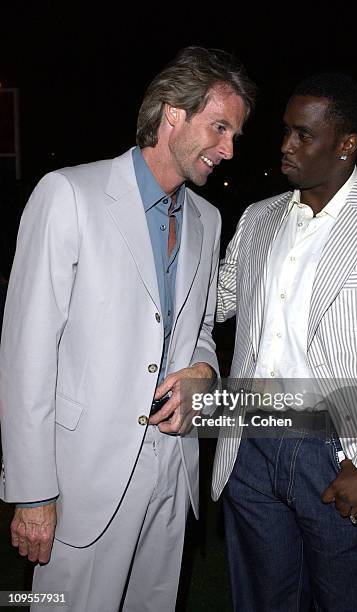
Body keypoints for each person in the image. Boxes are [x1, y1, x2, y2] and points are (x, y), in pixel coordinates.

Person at [0, 46, 256, 611]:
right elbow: (27, 353)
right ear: (172, 114)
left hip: (173, 469)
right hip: (81, 478)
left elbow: (201, 328)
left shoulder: (208, 219)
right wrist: (33, 491)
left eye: (234, 134)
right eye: (219, 127)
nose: (229, 149)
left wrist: (204, 373)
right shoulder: (68, 194)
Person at [212, 73, 357, 611]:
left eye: (302, 135)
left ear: (346, 144)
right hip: (251, 446)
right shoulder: (259, 218)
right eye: (285, 131)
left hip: (340, 455)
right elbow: (212, 303)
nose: (285, 145)